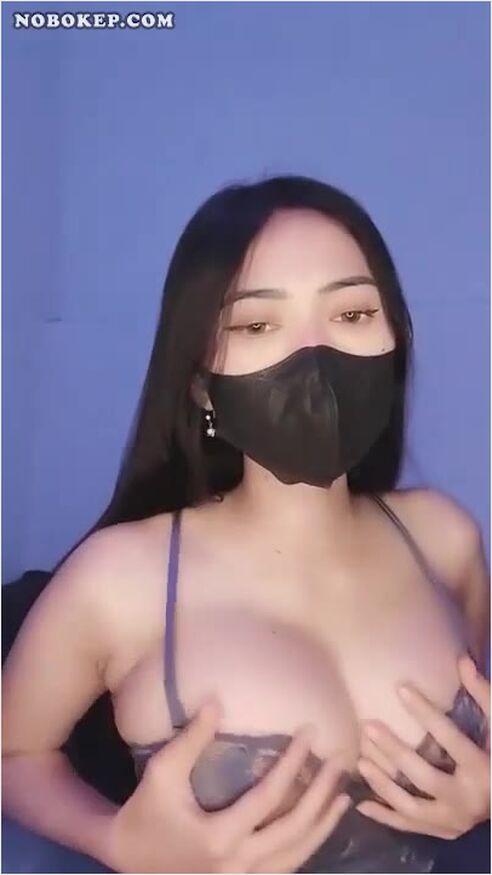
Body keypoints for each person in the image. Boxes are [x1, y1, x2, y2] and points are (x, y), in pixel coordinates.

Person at [2, 174, 490, 874]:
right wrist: (114, 840)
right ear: (201, 382)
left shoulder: (446, 539)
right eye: (258, 325)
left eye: (353, 314)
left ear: (394, 344)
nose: (315, 355)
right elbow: (14, 752)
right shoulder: (118, 578)